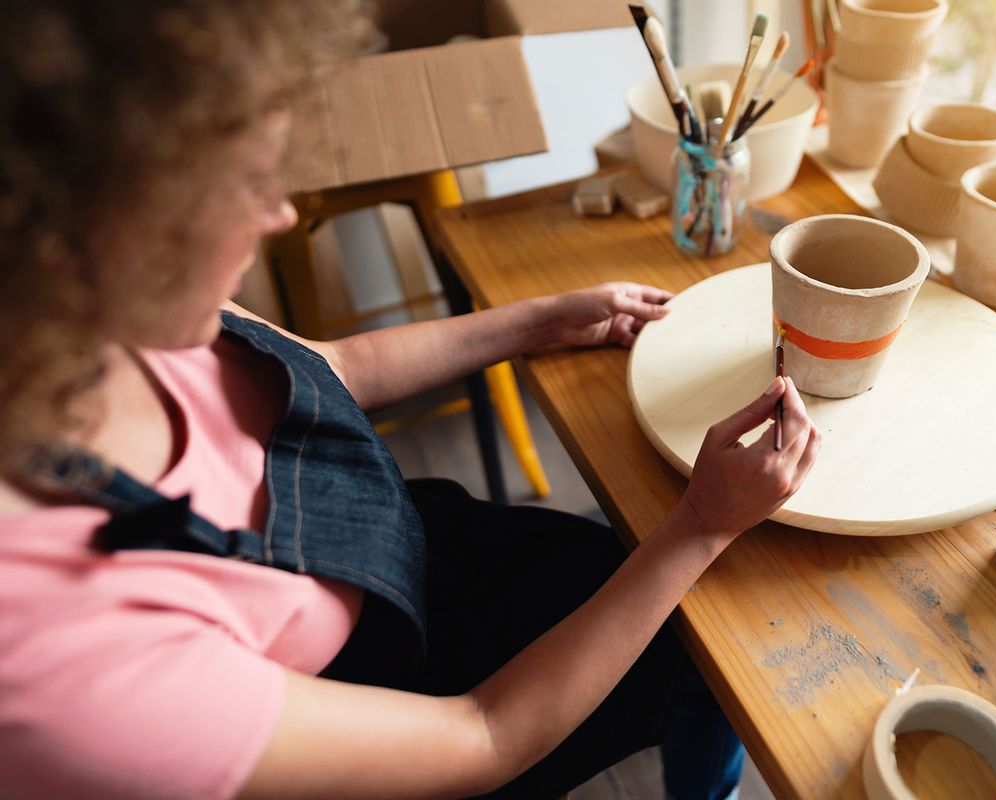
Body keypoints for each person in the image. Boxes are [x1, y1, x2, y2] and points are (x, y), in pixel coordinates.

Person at [0, 2, 822, 798]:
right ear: (93, 227)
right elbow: (485, 733)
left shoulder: (96, 312)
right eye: (247, 183)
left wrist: (539, 319)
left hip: (428, 552)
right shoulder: (73, 666)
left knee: (684, 620)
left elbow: (327, 367)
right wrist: (701, 525)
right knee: (702, 640)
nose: (282, 214)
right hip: (434, 710)